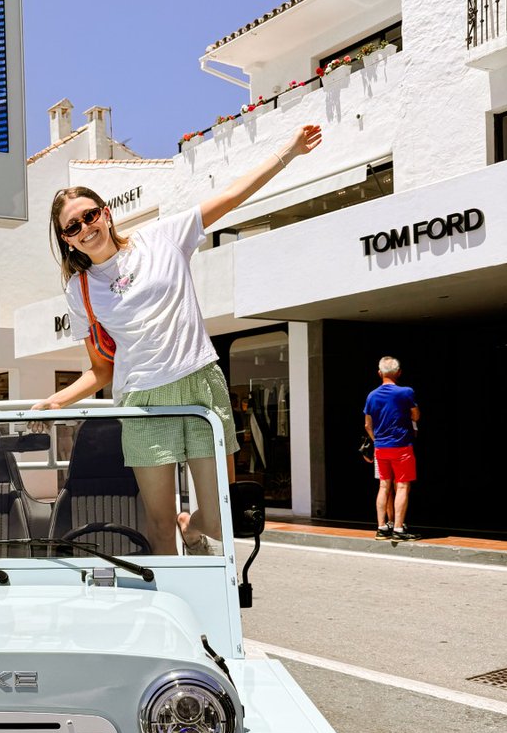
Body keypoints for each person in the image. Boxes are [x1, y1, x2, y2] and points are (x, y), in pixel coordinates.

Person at [33, 124, 323, 555]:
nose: (85, 227)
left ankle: (195, 528)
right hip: (143, 401)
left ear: (106, 212)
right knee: (158, 521)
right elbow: (101, 370)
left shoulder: (161, 238)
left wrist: (291, 151)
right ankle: (176, 603)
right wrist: (56, 402)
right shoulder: (81, 290)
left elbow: (230, 197)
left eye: (90, 215)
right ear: (66, 239)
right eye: (72, 226)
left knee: (223, 519)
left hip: (200, 383)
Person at [364, 356, 420, 541]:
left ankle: (381, 527)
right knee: (402, 486)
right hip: (402, 446)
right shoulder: (406, 392)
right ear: (399, 373)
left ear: (380, 373)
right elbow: (416, 415)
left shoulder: (371, 395)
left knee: (383, 486)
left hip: (381, 448)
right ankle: (398, 529)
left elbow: (367, 425)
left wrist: (377, 440)